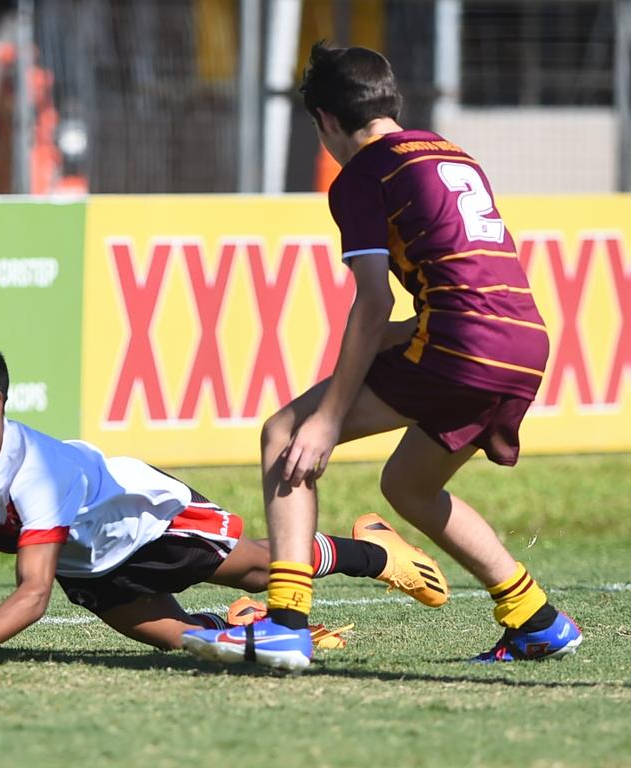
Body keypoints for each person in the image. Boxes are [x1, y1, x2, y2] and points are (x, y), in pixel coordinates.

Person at [182, 42, 581, 670]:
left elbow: (371, 302)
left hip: (462, 343)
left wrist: (329, 418)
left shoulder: (364, 173)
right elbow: (451, 285)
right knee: (408, 484)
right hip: (524, 339)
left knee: (285, 430)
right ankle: (535, 618)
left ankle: (285, 623)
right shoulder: (451, 153)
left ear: (327, 121)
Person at [0, 320, 449, 661]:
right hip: (90, 567)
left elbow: (34, 593)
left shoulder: (37, 471)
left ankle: (375, 552)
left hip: (144, 520)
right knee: (190, 643)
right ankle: (253, 629)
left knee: (264, 567)